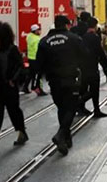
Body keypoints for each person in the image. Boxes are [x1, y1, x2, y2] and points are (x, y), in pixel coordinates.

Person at [36, 15, 86, 156]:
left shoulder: (44, 42)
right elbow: (84, 56)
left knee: (61, 108)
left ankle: (66, 138)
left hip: (54, 81)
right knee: (71, 108)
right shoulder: (74, 39)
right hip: (71, 79)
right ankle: (60, 135)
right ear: (66, 25)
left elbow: (38, 64)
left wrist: (36, 81)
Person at [0, 22, 28, 151]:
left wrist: (13, 80)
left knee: (13, 110)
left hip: (9, 85)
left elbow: (20, 65)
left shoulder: (12, 49)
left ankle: (21, 132)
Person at [80, 17, 107, 118]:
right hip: (92, 66)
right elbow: (100, 52)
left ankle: (81, 106)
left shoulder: (83, 37)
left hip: (83, 66)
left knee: (84, 88)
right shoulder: (95, 37)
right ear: (95, 25)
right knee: (94, 89)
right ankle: (94, 109)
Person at [23, 24, 47, 96]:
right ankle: (36, 87)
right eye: (38, 30)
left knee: (31, 73)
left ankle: (25, 87)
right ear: (35, 31)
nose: (39, 31)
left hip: (31, 58)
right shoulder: (36, 39)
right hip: (36, 58)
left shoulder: (29, 36)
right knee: (37, 74)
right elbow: (38, 50)